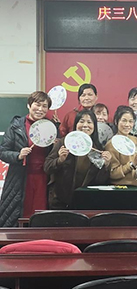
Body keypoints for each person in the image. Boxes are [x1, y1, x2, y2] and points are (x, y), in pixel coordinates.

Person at [0, 91, 52, 227]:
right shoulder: (16, 126)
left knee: (42, 217)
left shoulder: (51, 128)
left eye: (44, 106)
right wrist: (18, 155)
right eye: (37, 105)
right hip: (21, 178)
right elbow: (2, 152)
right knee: (20, 216)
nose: (40, 109)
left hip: (44, 178)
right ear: (29, 105)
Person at [45, 110, 111, 208]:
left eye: (89, 122)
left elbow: (100, 181)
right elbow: (47, 167)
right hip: (60, 200)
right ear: (76, 124)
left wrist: (106, 165)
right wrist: (60, 160)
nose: (85, 125)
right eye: (81, 121)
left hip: (86, 202)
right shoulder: (65, 142)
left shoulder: (97, 149)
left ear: (94, 126)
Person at [105, 106, 137, 186]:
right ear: (116, 121)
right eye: (124, 121)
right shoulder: (111, 144)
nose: (127, 125)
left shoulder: (136, 140)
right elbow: (113, 174)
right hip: (121, 188)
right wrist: (132, 164)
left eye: (130, 121)